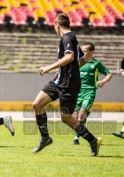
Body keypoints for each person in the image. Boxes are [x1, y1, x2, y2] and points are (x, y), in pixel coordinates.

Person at [32, 13, 102, 156]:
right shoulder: (72, 38)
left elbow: (70, 57)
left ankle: (92, 140)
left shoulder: (67, 37)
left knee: (66, 118)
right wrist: (64, 69)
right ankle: (45, 137)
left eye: (54, 25)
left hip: (69, 84)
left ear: (57, 25)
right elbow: (82, 60)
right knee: (37, 104)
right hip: (59, 81)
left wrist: (48, 68)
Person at [73, 42, 112, 145]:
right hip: (78, 91)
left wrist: (103, 81)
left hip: (89, 91)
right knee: (74, 118)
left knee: (81, 116)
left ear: (92, 52)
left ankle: (76, 138)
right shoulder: (78, 63)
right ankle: (86, 114)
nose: (82, 53)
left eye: (85, 51)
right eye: (81, 51)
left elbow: (109, 74)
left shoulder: (96, 64)